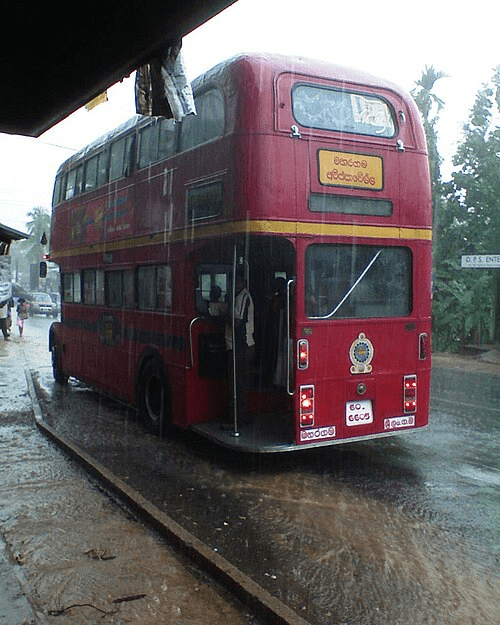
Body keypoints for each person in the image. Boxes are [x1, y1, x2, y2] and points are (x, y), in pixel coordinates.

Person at [224, 272, 255, 425]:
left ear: (242, 282)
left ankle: (240, 417)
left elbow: (237, 321)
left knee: (238, 383)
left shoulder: (243, 297)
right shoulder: (237, 296)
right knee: (235, 382)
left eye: (237, 282)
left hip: (242, 345)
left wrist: (225, 312)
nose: (235, 285)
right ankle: (235, 415)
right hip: (235, 345)